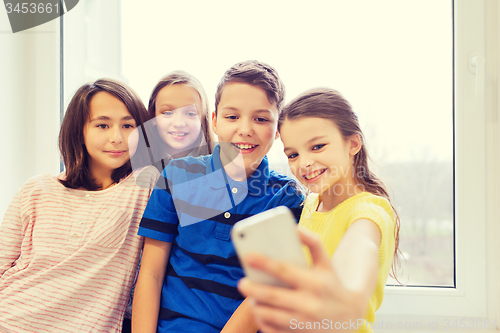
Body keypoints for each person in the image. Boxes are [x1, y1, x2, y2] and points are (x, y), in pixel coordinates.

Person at [131, 60, 304, 333]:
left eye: (261, 118)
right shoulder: (177, 176)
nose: (245, 129)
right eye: (232, 117)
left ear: (278, 127)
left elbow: (263, 293)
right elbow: (150, 273)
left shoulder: (286, 199)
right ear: (214, 120)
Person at [0, 79, 159, 333]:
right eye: (102, 125)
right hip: (10, 318)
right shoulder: (37, 189)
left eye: (128, 125)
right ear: (79, 130)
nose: (117, 137)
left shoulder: (146, 183)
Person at [238, 87, 401, 333]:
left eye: (317, 147)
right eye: (293, 154)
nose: (303, 163)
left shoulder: (369, 211)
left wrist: (347, 297)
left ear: (353, 143)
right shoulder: (312, 204)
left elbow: (360, 251)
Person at [123, 70, 213, 332]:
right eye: (167, 112)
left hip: (187, 310)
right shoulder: (139, 176)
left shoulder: (216, 179)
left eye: (190, 113)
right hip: (135, 310)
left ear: (205, 119)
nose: (179, 122)